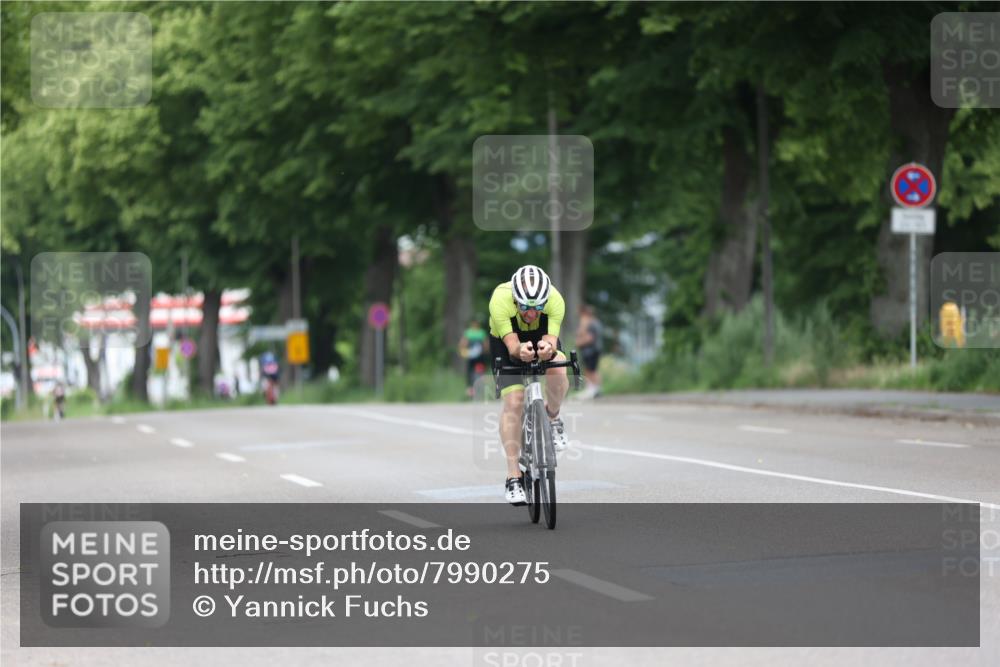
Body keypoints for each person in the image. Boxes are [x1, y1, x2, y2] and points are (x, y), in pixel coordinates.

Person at [488, 265, 570, 506]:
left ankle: (553, 418)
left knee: (557, 366)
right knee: (514, 401)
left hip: (541, 336)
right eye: (524, 307)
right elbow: (513, 346)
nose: (531, 313)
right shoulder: (500, 300)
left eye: (537, 307)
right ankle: (513, 475)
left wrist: (547, 350)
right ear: (515, 300)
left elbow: (551, 342)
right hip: (507, 340)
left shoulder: (555, 300)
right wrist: (518, 351)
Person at [576, 304, 603, 398]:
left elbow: (590, 338)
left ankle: (594, 390)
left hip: (591, 350)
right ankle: (593, 389)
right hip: (590, 350)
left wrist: (579, 342)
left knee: (591, 370)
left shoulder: (591, 323)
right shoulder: (594, 322)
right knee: (590, 370)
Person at [458, 319, 489, 397]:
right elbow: (486, 345)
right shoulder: (481, 332)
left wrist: (462, 351)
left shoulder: (469, 332)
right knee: (480, 371)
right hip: (479, 356)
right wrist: (485, 351)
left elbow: (463, 343)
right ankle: (478, 388)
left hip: (472, 356)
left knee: (470, 372)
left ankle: (470, 388)